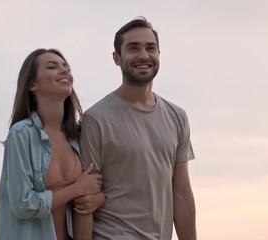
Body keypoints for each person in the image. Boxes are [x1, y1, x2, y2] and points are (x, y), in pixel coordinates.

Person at [79, 17, 197, 240]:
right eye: (133, 48)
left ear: (159, 54)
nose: (144, 55)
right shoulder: (95, 119)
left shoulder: (177, 117)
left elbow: (181, 194)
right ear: (116, 58)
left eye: (150, 48)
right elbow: (86, 199)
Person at [0, 48, 103, 240]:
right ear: (32, 85)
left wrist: (97, 198)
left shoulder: (78, 136)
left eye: (66, 67)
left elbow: (91, 191)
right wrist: (76, 189)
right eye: (52, 67)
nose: (64, 71)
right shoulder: (21, 134)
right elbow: (22, 204)